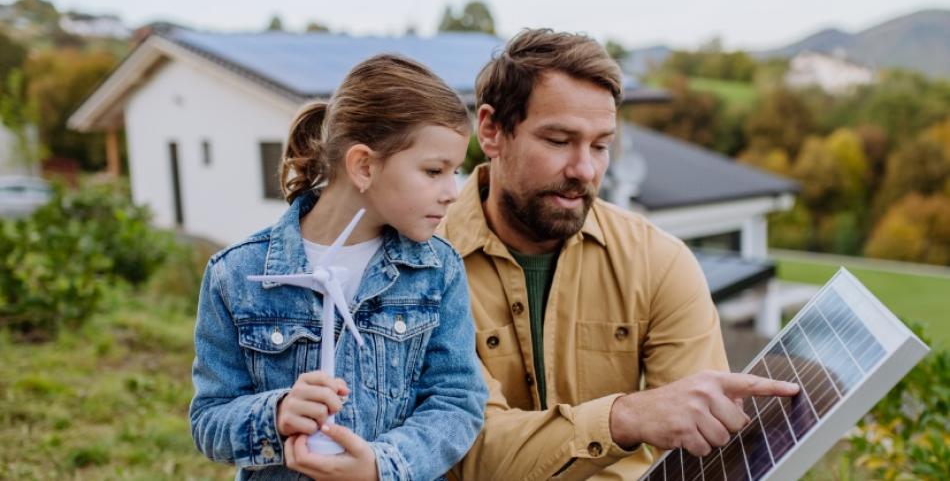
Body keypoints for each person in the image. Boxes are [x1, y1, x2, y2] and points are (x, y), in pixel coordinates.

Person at [437, 29, 799, 480]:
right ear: (491, 131)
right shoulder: (416, 263)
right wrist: (626, 417)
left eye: (601, 145)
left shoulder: (658, 262)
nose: (585, 170)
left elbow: (701, 455)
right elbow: (468, 452)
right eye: (558, 140)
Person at [190, 54, 488, 481]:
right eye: (434, 171)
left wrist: (381, 466)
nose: (452, 192)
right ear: (364, 166)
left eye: (454, 170)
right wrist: (275, 414)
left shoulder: (437, 271)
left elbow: (457, 403)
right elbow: (209, 421)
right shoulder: (236, 275)